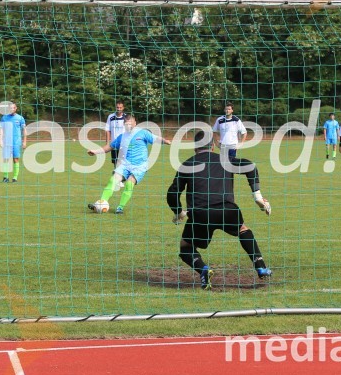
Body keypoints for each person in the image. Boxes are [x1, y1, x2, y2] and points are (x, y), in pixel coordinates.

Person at [167, 131, 272, 289]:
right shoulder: (224, 160)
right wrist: (257, 197)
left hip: (200, 213)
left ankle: (203, 269)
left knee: (185, 247)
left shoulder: (187, 165)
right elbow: (250, 167)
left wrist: (179, 212)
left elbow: (172, 193)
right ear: (213, 146)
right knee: (242, 229)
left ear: (195, 147)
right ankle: (261, 266)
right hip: (227, 209)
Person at [88, 114, 171, 214]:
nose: (129, 126)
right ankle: (101, 203)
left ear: (135, 123)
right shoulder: (121, 137)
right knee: (112, 181)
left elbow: (156, 139)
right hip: (125, 164)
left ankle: (120, 208)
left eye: (130, 124)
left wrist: (166, 141)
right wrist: (95, 151)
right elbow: (109, 147)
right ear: (124, 125)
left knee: (129, 184)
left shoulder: (143, 133)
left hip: (140, 166)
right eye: (126, 124)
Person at [0, 102, 27, 183]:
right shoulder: (4, 118)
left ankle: (15, 178)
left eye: (12, 108)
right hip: (7, 142)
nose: (11, 109)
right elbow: (1, 129)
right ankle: (5, 177)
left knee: (16, 159)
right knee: (6, 159)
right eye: (10, 108)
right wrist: (0, 140)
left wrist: (24, 141)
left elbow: (24, 130)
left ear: (15, 108)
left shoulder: (20, 118)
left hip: (16, 142)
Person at [105, 100, 128, 167]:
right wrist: (107, 144)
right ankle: (116, 176)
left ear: (123, 108)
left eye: (120, 107)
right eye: (117, 107)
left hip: (124, 145)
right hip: (114, 145)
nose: (119, 109)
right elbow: (107, 130)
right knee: (116, 165)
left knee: (124, 165)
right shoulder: (111, 117)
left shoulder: (126, 117)